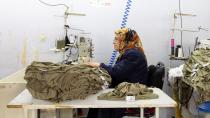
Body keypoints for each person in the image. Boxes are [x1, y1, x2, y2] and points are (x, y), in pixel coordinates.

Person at [87, 28, 148, 118]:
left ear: (125, 42)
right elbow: (118, 71)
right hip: (124, 87)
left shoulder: (133, 54)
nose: (113, 42)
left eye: (116, 39)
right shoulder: (128, 53)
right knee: (95, 104)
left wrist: (99, 65)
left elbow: (116, 72)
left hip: (130, 92)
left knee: (102, 103)